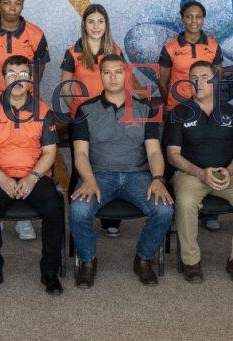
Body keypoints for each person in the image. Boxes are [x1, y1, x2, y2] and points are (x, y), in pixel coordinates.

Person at [69, 54, 174, 288]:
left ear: (126, 75)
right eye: (107, 72)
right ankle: (87, 261)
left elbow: (155, 153)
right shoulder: (85, 110)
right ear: (101, 76)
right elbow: (81, 154)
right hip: (98, 175)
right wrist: (87, 179)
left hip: (137, 176)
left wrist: (158, 179)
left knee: (164, 210)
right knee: (78, 210)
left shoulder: (144, 108)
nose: (113, 77)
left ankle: (143, 259)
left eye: (118, 72)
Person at [0, 56, 63, 296]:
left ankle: (50, 271)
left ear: (30, 80)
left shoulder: (43, 110)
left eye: (23, 74)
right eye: (11, 74)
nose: (17, 79)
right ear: (3, 79)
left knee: (55, 206)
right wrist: (2, 178)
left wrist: (32, 177)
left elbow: (49, 152)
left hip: (33, 176)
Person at [164, 61, 233, 283]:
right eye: (194, 78)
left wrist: (229, 170)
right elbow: (172, 154)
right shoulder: (179, 112)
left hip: (228, 173)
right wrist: (200, 173)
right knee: (186, 202)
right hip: (190, 175)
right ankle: (191, 262)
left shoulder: (230, 111)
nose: (199, 83)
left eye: (205, 77)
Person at [0, 0, 51, 241]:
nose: (12, 8)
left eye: (17, 3)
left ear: (23, 4)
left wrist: (24, 91)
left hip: (23, 103)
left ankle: (24, 219)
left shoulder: (35, 34)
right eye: (7, 3)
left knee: (25, 154)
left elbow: (37, 69)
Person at [157, 0, 225, 232]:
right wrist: (174, 104)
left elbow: (215, 79)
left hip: (207, 109)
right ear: (182, 19)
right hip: (179, 111)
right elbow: (163, 81)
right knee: (175, 159)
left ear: (203, 19)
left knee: (212, 153)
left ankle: (210, 212)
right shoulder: (170, 48)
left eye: (198, 16)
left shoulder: (213, 46)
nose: (193, 20)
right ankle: (177, 211)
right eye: (189, 16)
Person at [61, 4, 124, 239]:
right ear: (84, 24)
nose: (96, 26)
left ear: (106, 25)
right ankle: (77, 215)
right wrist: (77, 112)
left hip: (110, 117)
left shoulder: (115, 50)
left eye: (100, 21)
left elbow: (121, 83)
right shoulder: (73, 52)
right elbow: (66, 86)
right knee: (81, 165)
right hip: (83, 119)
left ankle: (111, 220)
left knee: (110, 162)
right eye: (91, 21)